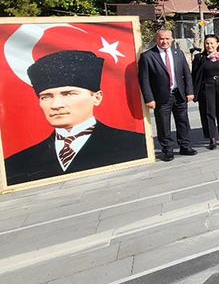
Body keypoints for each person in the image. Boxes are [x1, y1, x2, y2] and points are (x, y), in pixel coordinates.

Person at [5, 51, 148, 185]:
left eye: (68, 94)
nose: (56, 105)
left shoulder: (135, 144)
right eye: (46, 96)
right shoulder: (16, 163)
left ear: (96, 98)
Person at [139, 29, 195, 161]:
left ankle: (185, 146)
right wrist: (149, 98)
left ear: (172, 39)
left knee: (183, 121)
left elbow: (187, 74)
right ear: (156, 39)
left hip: (179, 94)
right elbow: (144, 79)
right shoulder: (147, 56)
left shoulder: (178, 53)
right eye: (161, 39)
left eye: (167, 39)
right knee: (163, 124)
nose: (165, 41)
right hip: (161, 96)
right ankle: (168, 150)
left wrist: (190, 91)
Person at [192, 35, 219, 150]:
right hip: (206, 88)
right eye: (207, 43)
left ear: (217, 44)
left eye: (211, 43)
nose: (209, 46)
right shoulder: (199, 57)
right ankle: (212, 139)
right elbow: (194, 76)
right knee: (208, 113)